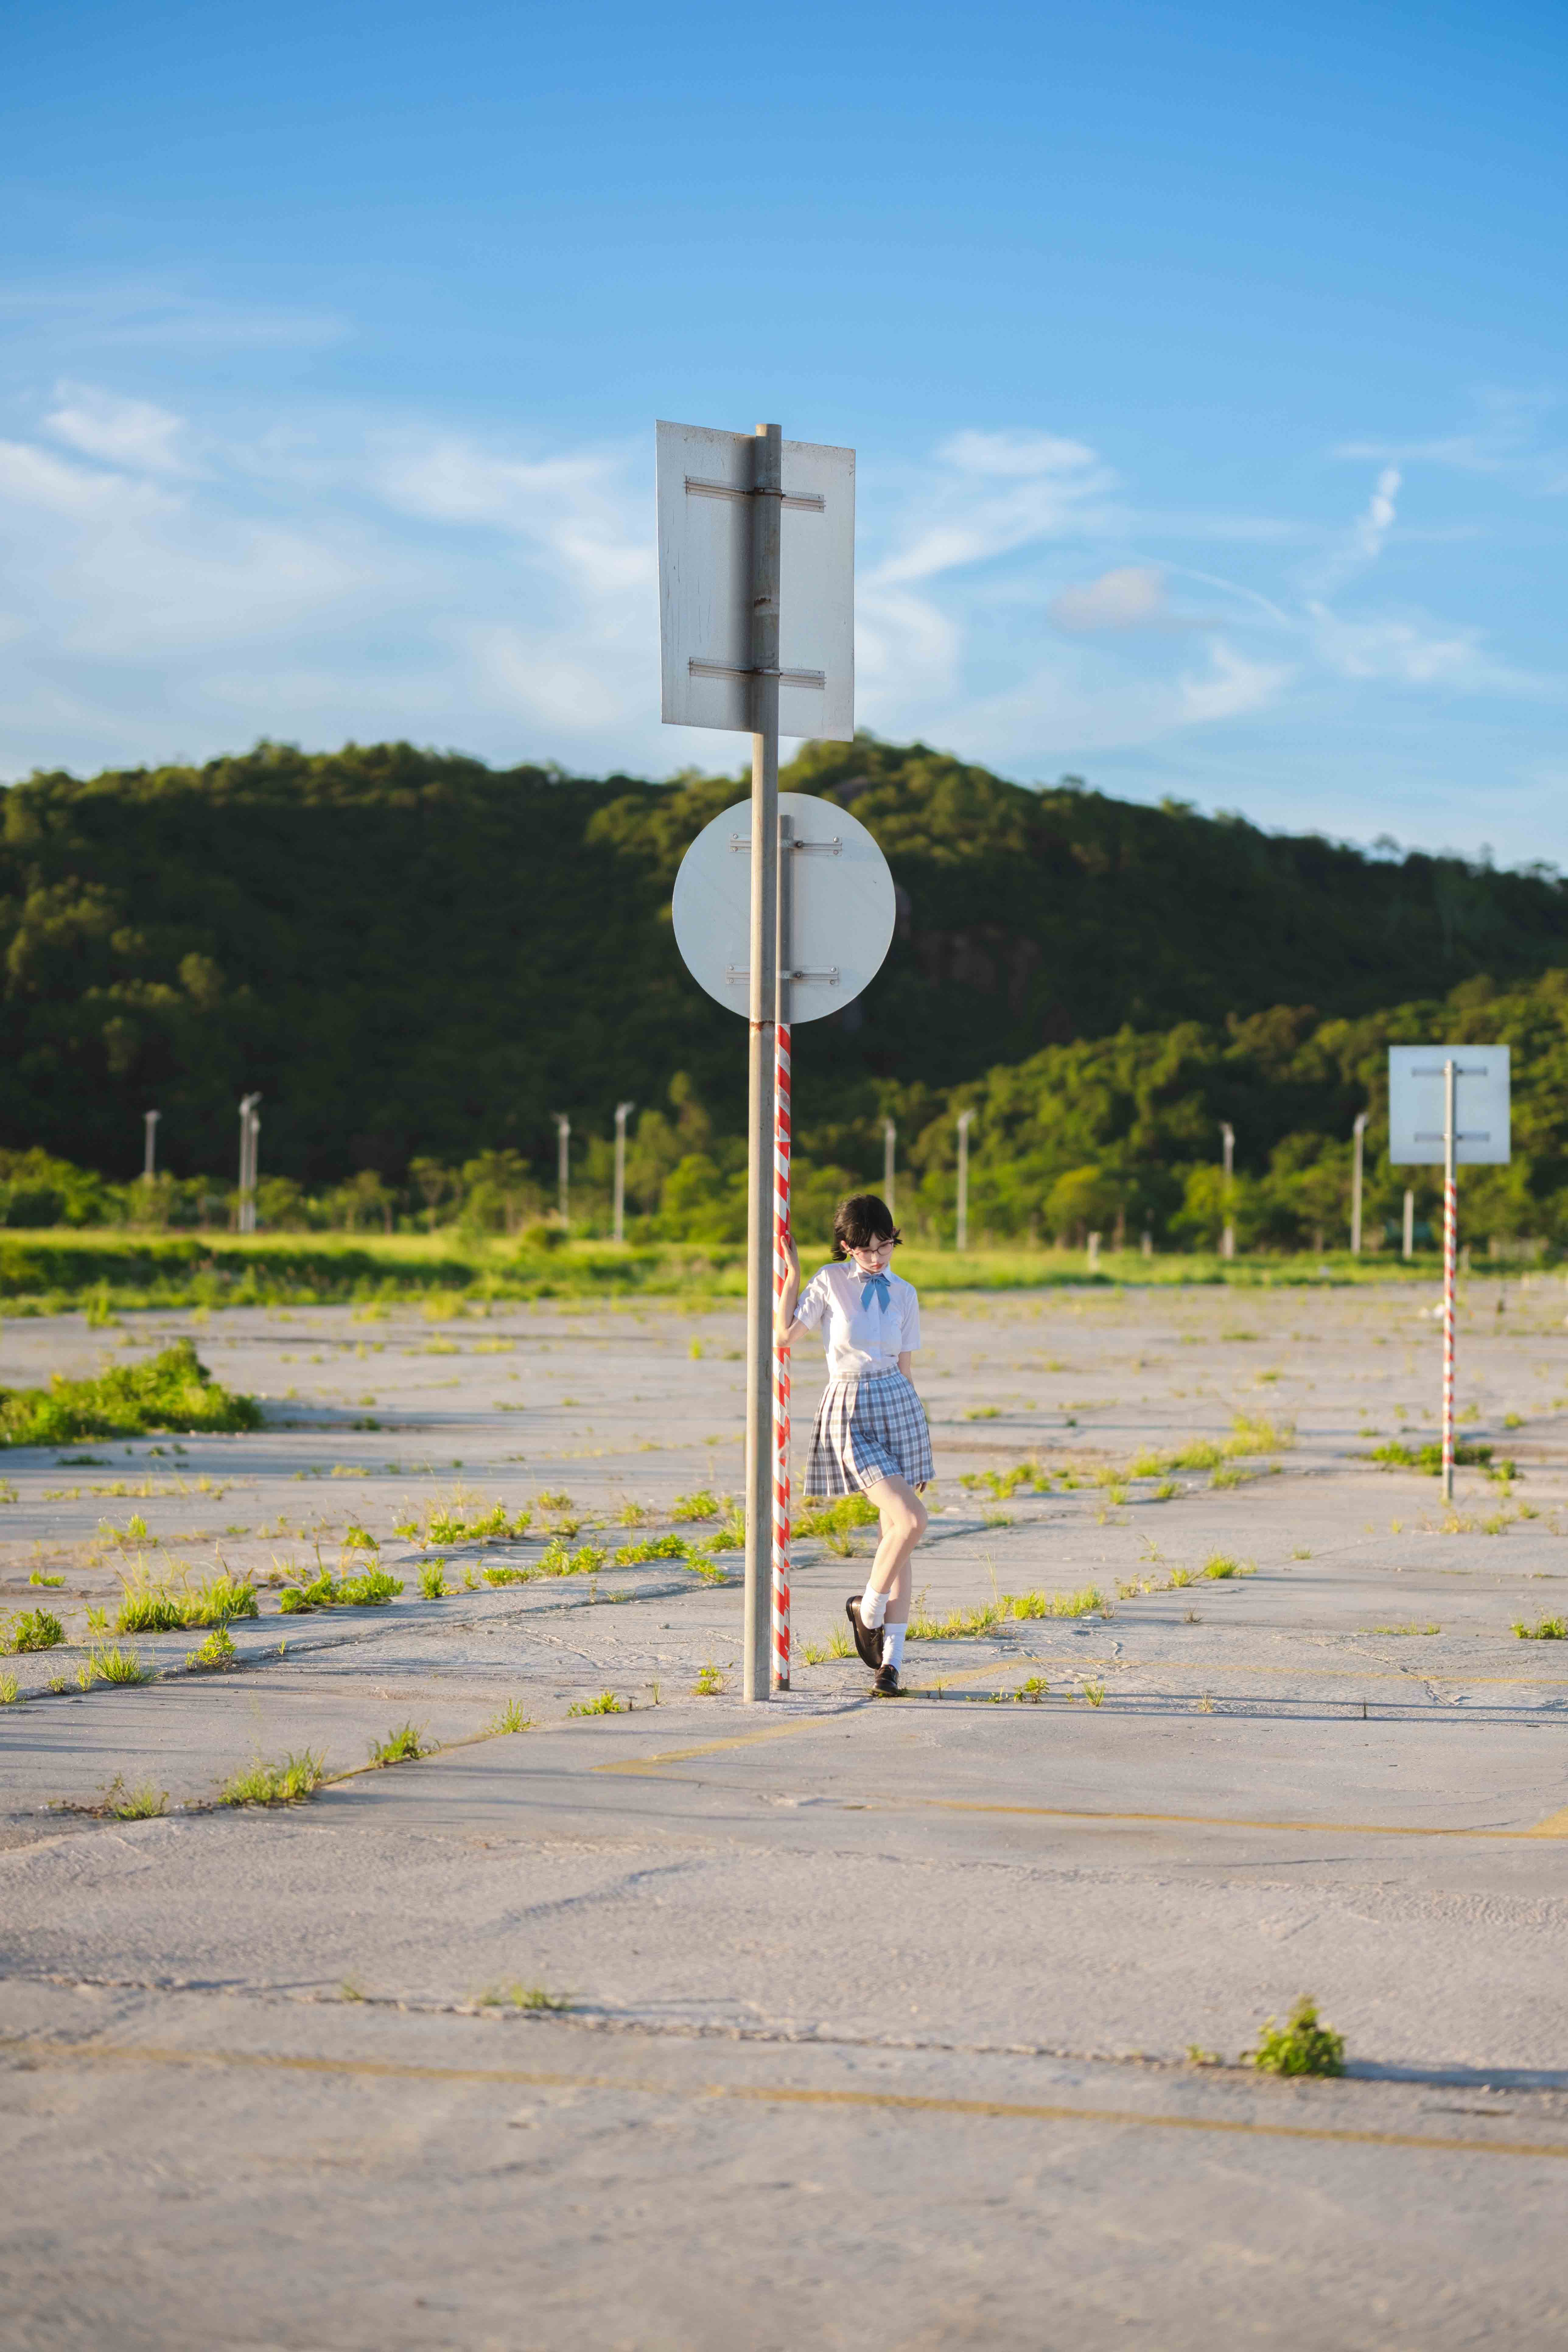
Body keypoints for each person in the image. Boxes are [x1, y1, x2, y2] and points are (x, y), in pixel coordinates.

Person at [775, 1192, 931, 1695]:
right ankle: (866, 1614)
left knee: (900, 1539)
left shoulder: (905, 1293)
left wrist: (920, 1440)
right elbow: (784, 1336)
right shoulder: (829, 1282)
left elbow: (907, 1370)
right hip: (848, 1407)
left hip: (898, 1407)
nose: (877, 1256)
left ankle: (892, 1665)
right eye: (865, 1249)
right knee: (911, 1522)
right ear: (846, 1246)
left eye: (885, 1245)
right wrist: (792, 1277)